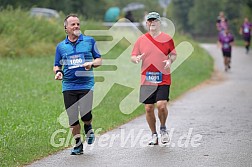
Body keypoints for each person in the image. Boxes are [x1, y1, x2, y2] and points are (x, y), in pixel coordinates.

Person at [53, 14, 102, 155]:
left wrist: (91, 63)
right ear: (66, 28)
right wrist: (58, 72)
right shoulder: (61, 46)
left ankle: (88, 126)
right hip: (68, 85)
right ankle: (78, 145)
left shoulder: (89, 41)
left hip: (86, 84)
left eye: (78, 24)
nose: (76, 27)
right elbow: (56, 65)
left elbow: (99, 59)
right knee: (72, 118)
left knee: (86, 114)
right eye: (73, 24)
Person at [131, 12, 177, 145]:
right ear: (147, 24)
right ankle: (154, 134)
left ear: (159, 23)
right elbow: (133, 56)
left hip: (163, 77)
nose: (152, 23)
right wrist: (136, 59)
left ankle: (163, 129)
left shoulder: (167, 38)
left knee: (161, 105)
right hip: (147, 79)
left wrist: (170, 61)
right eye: (150, 21)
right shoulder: (141, 39)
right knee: (149, 108)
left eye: (155, 21)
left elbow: (173, 54)